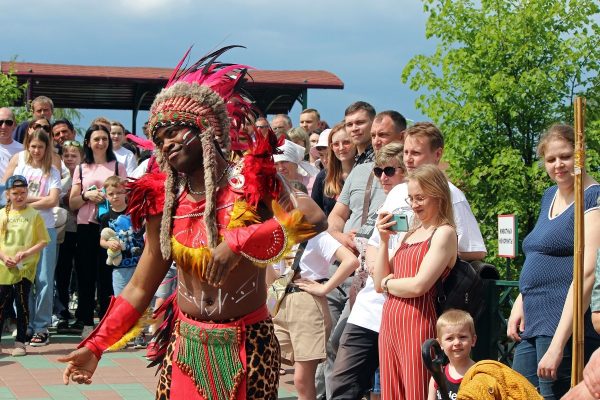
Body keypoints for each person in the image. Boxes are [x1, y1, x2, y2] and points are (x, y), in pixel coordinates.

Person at [58, 48, 326, 399]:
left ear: (206, 128)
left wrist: (238, 242)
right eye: (159, 136)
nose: (166, 143)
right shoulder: (163, 203)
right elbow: (139, 287)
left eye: (174, 131)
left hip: (249, 345)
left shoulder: (250, 180)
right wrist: (95, 346)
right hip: (185, 347)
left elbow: (313, 217)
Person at [507, 124, 600, 399]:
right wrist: (519, 302)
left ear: (580, 156)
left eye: (566, 156)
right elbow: (538, 253)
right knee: (518, 393)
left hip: (563, 325)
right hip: (534, 320)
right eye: (551, 159)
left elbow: (587, 272)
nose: (558, 165)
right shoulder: (549, 196)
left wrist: (558, 344)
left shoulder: (593, 196)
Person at [373, 164, 458, 400]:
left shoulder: (444, 232)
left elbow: (419, 286)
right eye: (411, 198)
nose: (414, 204)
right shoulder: (410, 232)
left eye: (420, 198)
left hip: (419, 321)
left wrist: (389, 284)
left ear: (438, 195)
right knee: (392, 391)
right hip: (390, 321)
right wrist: (382, 241)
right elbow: (379, 281)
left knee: (418, 390)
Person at [273, 224, 359, 399]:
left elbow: (351, 261)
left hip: (308, 304)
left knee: (302, 379)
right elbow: (275, 279)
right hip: (281, 300)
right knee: (266, 364)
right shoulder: (279, 236)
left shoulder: (317, 236)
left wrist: (324, 288)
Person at [3, 128, 61, 347]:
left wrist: (26, 201)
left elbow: (53, 201)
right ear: (27, 145)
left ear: (47, 148)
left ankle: (41, 326)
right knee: (22, 279)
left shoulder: (52, 171)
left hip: (44, 230)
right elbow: (8, 195)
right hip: (21, 231)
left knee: (45, 280)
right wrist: (37, 199)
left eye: (41, 147)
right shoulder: (20, 166)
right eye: (33, 146)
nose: (36, 150)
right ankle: (24, 323)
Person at [67, 124, 127, 338]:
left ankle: (106, 319)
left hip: (112, 226)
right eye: (96, 139)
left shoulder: (118, 166)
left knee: (109, 273)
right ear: (88, 143)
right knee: (85, 273)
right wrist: (86, 196)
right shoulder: (81, 168)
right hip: (87, 225)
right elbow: (73, 203)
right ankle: (84, 319)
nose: (101, 143)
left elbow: (126, 195)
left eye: (104, 138)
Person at [0, 175, 49, 356]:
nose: (19, 196)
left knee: (22, 303)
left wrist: (25, 254)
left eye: (23, 193)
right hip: (4, 267)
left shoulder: (33, 215)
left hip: (24, 269)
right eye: (15, 193)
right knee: (2, 304)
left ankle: (20, 342)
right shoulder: (2, 214)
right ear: (7, 194)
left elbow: (43, 241)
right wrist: (4, 257)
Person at [98, 176, 146, 348]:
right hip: (120, 266)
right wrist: (108, 243)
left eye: (119, 192)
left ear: (126, 193)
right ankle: (123, 334)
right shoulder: (105, 217)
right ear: (106, 195)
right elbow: (101, 240)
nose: (116, 196)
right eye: (111, 193)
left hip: (139, 263)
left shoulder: (134, 212)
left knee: (139, 299)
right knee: (121, 300)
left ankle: (139, 333)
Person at [54, 140, 83, 330]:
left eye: (74, 155)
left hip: (82, 230)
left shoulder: (86, 176)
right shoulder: (60, 178)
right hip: (64, 233)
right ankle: (62, 312)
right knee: (62, 273)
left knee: (82, 273)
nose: (70, 158)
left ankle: (82, 313)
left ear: (81, 157)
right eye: (67, 155)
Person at [427, 309, 477, 400]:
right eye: (450, 338)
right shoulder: (437, 376)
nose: (457, 342)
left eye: (462, 337)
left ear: (473, 340)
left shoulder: (478, 374)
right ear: (440, 344)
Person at [311, 123, 356, 216]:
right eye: (321, 155)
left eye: (346, 142)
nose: (341, 148)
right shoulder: (323, 177)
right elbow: (315, 213)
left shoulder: (365, 172)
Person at [0, 108, 24, 180]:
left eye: (8, 122)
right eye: (0, 122)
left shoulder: (23, 150)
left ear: (14, 125)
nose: (3, 126)